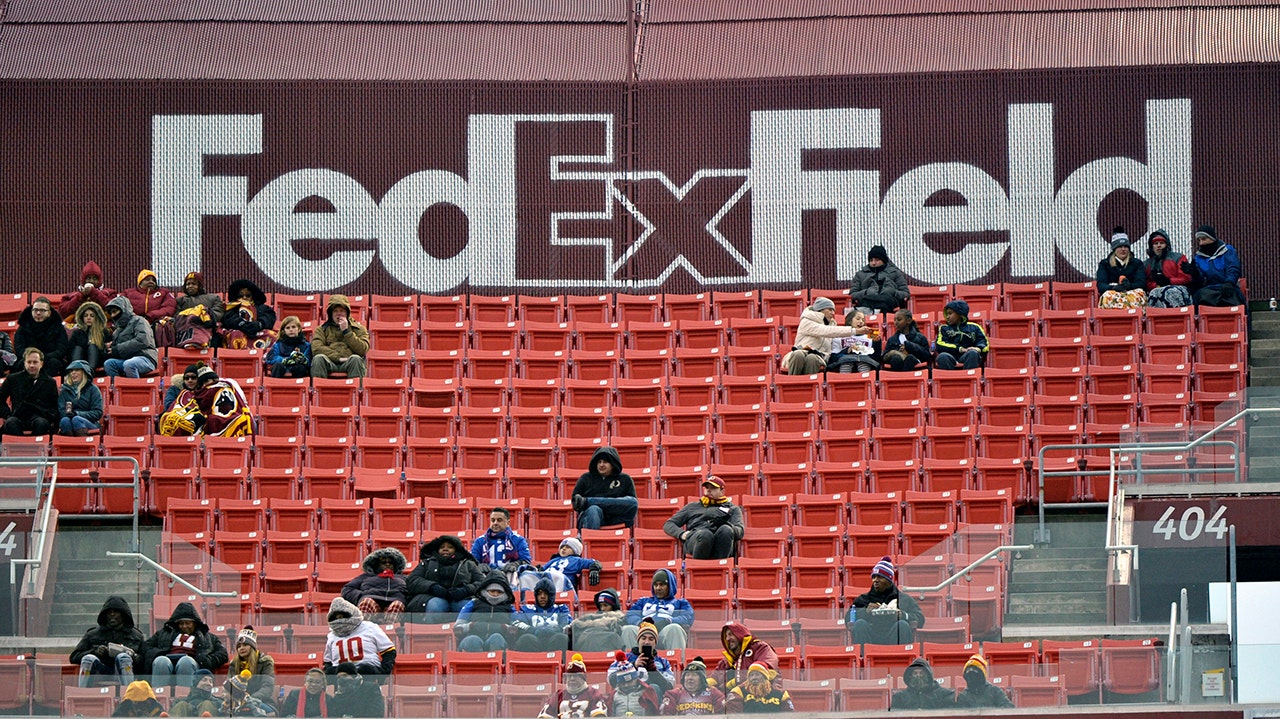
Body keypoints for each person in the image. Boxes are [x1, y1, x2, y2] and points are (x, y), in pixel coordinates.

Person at [141, 601, 228, 689]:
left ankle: (185, 696)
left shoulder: (208, 637)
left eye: (187, 623)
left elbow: (223, 654)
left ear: (194, 623)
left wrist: (205, 660)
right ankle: (159, 694)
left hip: (191, 663)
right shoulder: (164, 633)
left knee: (186, 662)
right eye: (181, 623)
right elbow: (146, 647)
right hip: (167, 661)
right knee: (160, 661)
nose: (184, 626)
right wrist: (158, 653)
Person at [846, 557, 925, 646]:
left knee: (902, 625)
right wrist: (865, 611)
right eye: (874, 577)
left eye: (880, 577)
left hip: (894, 636)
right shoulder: (863, 599)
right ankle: (863, 658)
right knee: (860, 624)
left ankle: (902, 657)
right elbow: (848, 618)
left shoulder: (904, 599)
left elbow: (920, 619)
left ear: (889, 580)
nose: (875, 580)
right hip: (870, 638)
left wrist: (902, 615)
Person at [662, 475, 745, 560]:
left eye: (713, 488)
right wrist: (681, 534)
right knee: (705, 534)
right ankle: (698, 568)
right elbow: (669, 524)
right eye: (707, 487)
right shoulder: (692, 507)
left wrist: (727, 525)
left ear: (722, 491)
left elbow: (740, 532)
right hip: (697, 539)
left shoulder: (732, 509)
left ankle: (721, 567)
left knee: (726, 529)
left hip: (721, 544)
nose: (709, 490)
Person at [405, 534, 485, 621]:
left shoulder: (469, 564)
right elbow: (412, 580)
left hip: (461, 598)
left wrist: (466, 590)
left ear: (457, 549)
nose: (445, 549)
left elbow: (482, 582)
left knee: (465, 607)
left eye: (450, 547)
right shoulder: (427, 563)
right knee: (435, 606)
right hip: (432, 597)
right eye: (442, 547)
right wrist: (432, 587)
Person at [70, 595, 145, 688]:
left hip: (126, 670)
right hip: (100, 671)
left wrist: (133, 656)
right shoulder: (92, 634)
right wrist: (95, 652)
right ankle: (83, 693)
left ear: (123, 614)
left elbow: (144, 661)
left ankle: (129, 696)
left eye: (116, 612)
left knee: (123, 657)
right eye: (109, 612)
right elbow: (74, 657)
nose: (112, 615)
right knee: (88, 658)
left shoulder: (136, 636)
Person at [322, 597, 396, 678]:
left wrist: (383, 671)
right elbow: (327, 661)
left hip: (368, 672)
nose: (340, 620)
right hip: (343, 677)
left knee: (365, 669)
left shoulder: (369, 627)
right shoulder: (332, 636)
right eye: (337, 617)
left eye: (342, 616)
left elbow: (388, 650)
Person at [780, 297, 856, 375]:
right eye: (830, 309)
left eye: (833, 310)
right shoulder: (806, 321)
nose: (833, 313)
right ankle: (793, 383)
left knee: (812, 358)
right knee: (798, 354)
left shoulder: (832, 324)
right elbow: (825, 330)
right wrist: (854, 331)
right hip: (801, 352)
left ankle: (809, 385)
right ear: (820, 310)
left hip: (819, 356)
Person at [622, 570, 693, 650]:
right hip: (644, 632)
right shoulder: (643, 601)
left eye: (662, 585)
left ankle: (676, 660)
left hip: (665, 633)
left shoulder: (680, 602)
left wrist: (669, 621)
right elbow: (630, 614)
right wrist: (641, 623)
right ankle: (632, 660)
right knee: (628, 629)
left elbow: (688, 617)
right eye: (655, 585)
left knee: (675, 628)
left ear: (670, 586)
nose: (658, 588)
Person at [572, 446, 639, 530]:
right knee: (593, 509)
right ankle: (592, 541)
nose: (601, 465)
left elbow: (631, 506)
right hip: (591, 518)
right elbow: (576, 502)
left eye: (605, 462)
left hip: (617, 518)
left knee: (633, 502)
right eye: (599, 462)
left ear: (613, 464)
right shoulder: (585, 478)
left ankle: (589, 501)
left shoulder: (625, 479)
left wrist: (588, 502)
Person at [454, 571, 521, 652]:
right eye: (492, 591)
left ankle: (497, 663)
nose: (495, 594)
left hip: (500, 640)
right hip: (471, 637)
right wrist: (471, 626)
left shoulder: (509, 607)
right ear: (485, 590)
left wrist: (504, 628)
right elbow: (457, 627)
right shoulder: (473, 603)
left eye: (499, 592)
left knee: (496, 638)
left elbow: (516, 628)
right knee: (472, 640)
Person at [0, 347, 59, 436]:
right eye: (29, 362)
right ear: (24, 363)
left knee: (41, 423)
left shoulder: (50, 382)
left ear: (41, 363)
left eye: (35, 362)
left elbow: (54, 406)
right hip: (18, 416)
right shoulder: (12, 379)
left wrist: (49, 415)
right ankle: (18, 449)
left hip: (40, 417)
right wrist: (8, 414)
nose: (32, 365)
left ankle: (36, 449)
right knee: (10, 422)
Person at [537, 653, 611, 719]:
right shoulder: (558, 695)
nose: (572, 679)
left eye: (576, 676)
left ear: (583, 677)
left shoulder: (593, 694)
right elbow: (544, 716)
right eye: (569, 676)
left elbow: (599, 716)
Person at [311, 294, 369, 378]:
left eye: (342, 311)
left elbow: (362, 350)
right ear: (330, 313)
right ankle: (319, 390)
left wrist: (347, 332)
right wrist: (338, 358)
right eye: (335, 311)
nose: (339, 314)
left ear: (347, 312)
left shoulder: (359, 329)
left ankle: (356, 390)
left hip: (349, 362)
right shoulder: (321, 329)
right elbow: (316, 348)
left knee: (356, 359)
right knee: (318, 358)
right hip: (329, 362)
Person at [518, 536, 602, 593]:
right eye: (562, 547)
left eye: (568, 547)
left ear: (575, 550)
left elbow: (594, 562)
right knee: (525, 575)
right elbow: (542, 570)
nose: (564, 549)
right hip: (546, 580)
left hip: (561, 582)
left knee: (559, 577)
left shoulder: (577, 560)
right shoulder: (553, 560)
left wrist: (594, 569)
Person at [341, 548, 409, 619]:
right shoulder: (366, 576)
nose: (387, 564)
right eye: (383, 562)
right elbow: (348, 589)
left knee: (397, 605)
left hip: (396, 599)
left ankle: (390, 628)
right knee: (367, 603)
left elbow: (414, 591)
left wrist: (404, 597)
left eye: (390, 563)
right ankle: (364, 628)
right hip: (372, 598)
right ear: (376, 565)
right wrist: (361, 596)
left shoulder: (404, 578)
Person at [11, 297, 70, 376]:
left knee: (55, 363)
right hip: (28, 359)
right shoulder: (23, 326)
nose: (38, 313)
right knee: (22, 364)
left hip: (49, 360)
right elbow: (19, 348)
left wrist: (42, 358)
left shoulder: (57, 327)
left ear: (49, 313)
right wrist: (32, 358)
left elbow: (61, 349)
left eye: (42, 310)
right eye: (35, 310)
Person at [1190, 224, 1246, 307]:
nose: (1201, 243)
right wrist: (1195, 274)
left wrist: (1229, 282)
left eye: (1204, 239)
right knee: (1199, 296)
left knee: (1232, 296)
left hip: (1228, 286)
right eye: (1199, 240)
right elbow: (1201, 280)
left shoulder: (1227, 251)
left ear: (1212, 238)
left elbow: (1233, 268)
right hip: (1208, 289)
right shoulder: (1198, 258)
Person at [103, 296, 159, 378]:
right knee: (109, 364)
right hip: (127, 359)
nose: (113, 315)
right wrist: (111, 347)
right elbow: (118, 348)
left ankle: (134, 389)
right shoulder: (117, 331)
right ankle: (116, 388)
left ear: (124, 309)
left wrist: (117, 349)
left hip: (145, 358)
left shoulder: (139, 321)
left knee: (129, 364)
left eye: (115, 311)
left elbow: (143, 341)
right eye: (111, 313)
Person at [513, 576, 572, 652]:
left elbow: (568, 623)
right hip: (535, 641)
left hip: (554, 641)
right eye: (539, 594)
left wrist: (557, 629)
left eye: (546, 594)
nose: (542, 597)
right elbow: (516, 622)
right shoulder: (527, 609)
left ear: (551, 595)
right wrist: (533, 630)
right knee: (526, 639)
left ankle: (556, 662)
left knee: (561, 638)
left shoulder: (561, 608)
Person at [225, 627, 277, 711]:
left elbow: (267, 687)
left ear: (252, 647)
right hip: (237, 702)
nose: (241, 648)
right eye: (239, 646)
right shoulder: (234, 664)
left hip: (262, 701)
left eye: (245, 645)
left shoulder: (265, 662)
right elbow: (229, 686)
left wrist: (249, 699)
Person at [619, 618, 675, 695]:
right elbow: (613, 680)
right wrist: (633, 666)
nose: (647, 642)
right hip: (629, 697)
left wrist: (653, 671)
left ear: (655, 642)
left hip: (653, 701)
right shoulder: (625, 658)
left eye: (651, 639)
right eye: (643, 638)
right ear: (638, 640)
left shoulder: (663, 662)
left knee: (653, 687)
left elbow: (669, 687)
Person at [717, 621, 779, 692]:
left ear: (740, 634)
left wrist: (737, 682)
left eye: (730, 634)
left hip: (764, 697)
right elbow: (714, 678)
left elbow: (765, 670)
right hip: (736, 699)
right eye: (726, 636)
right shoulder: (728, 660)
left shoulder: (760, 648)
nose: (727, 639)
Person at [849, 245, 910, 314]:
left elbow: (905, 294)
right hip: (866, 304)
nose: (873, 263)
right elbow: (852, 295)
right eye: (871, 260)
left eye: (877, 260)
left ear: (883, 260)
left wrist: (893, 292)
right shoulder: (860, 274)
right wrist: (866, 292)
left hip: (889, 304)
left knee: (885, 300)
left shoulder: (895, 273)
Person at [1096, 228, 1148, 308]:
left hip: (1132, 293)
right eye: (1120, 246)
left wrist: (1130, 286)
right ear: (1114, 249)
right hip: (1113, 293)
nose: (1123, 249)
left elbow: (1141, 283)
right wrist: (1113, 287)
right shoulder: (1105, 264)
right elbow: (1101, 285)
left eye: (1125, 246)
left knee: (1139, 294)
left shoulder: (1137, 264)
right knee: (1107, 296)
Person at [1142, 229, 1194, 308]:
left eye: (1161, 243)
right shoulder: (1147, 264)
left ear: (1167, 245)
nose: (1159, 245)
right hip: (1155, 290)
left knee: (1169, 292)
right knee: (1154, 293)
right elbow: (1146, 282)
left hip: (1177, 289)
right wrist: (1156, 285)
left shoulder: (1178, 258)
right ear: (1152, 247)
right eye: (1156, 243)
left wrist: (1168, 281)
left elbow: (1186, 278)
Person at [470, 506, 531, 572]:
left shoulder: (519, 540)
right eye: (493, 520)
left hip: (512, 576)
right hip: (485, 577)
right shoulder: (480, 541)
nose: (495, 523)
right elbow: (472, 563)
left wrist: (516, 564)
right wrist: (479, 566)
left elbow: (526, 561)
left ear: (508, 523)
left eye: (499, 520)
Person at [222, 279, 278, 350]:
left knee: (271, 335)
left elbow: (269, 318)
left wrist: (258, 324)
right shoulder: (231, 307)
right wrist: (242, 324)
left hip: (258, 332)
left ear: (252, 296)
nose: (244, 298)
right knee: (236, 334)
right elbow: (228, 319)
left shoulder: (263, 308)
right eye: (240, 296)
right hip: (239, 331)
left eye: (248, 295)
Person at [173, 271, 223, 349]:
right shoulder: (180, 300)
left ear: (200, 286)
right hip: (186, 329)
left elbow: (218, 313)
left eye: (193, 284)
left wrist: (204, 317)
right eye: (188, 284)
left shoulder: (213, 298)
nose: (190, 286)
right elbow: (177, 316)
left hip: (207, 327)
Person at [660, 657, 726, 716]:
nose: (690, 678)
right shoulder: (673, 694)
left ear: (702, 679)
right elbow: (667, 715)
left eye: (694, 675)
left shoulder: (715, 694)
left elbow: (722, 714)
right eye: (687, 675)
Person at [934, 299, 988, 370]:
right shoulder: (944, 328)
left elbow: (983, 342)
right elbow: (939, 345)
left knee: (973, 353)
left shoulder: (975, 327)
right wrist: (960, 349)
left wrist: (978, 348)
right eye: (947, 314)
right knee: (942, 356)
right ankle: (949, 380)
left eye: (950, 313)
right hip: (950, 356)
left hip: (967, 356)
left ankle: (969, 379)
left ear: (960, 314)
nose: (947, 317)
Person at [58, 260, 117, 325]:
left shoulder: (109, 293)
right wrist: (81, 296)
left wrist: (94, 293)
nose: (91, 281)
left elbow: (113, 308)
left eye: (95, 278)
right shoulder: (71, 296)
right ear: (84, 280)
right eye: (89, 278)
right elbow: (64, 312)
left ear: (99, 280)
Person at [568, 588, 626, 653]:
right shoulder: (591, 617)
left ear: (613, 605)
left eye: (606, 605)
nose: (602, 608)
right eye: (600, 606)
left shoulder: (619, 617)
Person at [606, 652, 662, 716]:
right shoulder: (614, 696)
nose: (626, 685)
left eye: (629, 682)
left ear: (635, 679)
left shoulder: (646, 693)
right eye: (623, 683)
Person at [826, 308, 881, 373]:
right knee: (846, 363)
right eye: (858, 319)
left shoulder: (870, 337)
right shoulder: (839, 337)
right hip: (845, 360)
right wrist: (847, 350)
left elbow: (876, 358)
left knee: (864, 363)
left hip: (864, 361)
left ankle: (865, 380)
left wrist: (877, 343)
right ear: (849, 321)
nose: (861, 322)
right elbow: (833, 357)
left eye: (863, 320)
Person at [725, 663, 794, 713]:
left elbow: (789, 714)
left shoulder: (780, 694)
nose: (754, 677)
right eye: (751, 675)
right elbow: (733, 713)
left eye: (757, 674)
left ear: (765, 677)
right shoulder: (739, 691)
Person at [58, 360, 103, 436]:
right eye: (71, 370)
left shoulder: (93, 389)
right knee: (64, 421)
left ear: (85, 372)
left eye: (77, 370)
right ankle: (68, 445)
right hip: (69, 421)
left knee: (77, 420)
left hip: (90, 423)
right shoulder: (64, 390)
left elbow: (97, 412)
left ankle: (83, 445)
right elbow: (61, 410)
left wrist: (77, 414)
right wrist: (68, 414)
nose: (73, 373)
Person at [890, 658, 955, 710]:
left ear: (928, 675)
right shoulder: (900, 697)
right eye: (915, 673)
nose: (918, 676)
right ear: (910, 676)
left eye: (921, 673)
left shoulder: (944, 695)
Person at [68, 301, 109, 372]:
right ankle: (76, 371)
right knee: (77, 348)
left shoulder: (104, 332)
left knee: (92, 347)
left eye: (92, 316)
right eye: (86, 315)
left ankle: (90, 372)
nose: (88, 318)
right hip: (80, 359)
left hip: (98, 361)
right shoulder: (77, 333)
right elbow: (70, 351)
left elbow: (106, 352)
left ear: (96, 317)